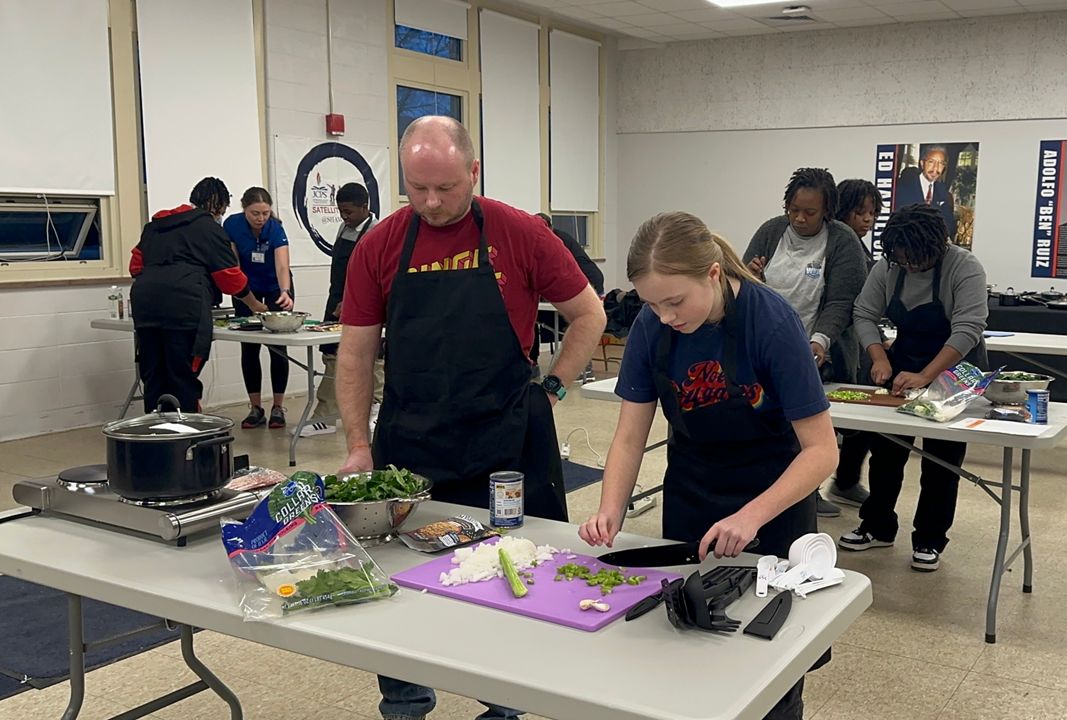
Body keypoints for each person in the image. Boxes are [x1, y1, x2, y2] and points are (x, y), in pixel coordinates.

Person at [337, 116, 605, 720]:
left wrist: (555, 387)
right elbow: (354, 354)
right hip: (411, 444)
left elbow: (588, 314)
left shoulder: (519, 233)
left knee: (507, 578)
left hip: (504, 445)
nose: (431, 203)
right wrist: (359, 445)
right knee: (399, 582)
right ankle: (404, 701)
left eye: (446, 189)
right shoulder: (380, 244)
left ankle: (504, 702)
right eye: (417, 188)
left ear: (474, 173)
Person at [580, 211, 837, 719]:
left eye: (675, 301)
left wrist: (750, 516)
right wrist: (611, 508)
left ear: (714, 274)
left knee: (770, 662)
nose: (665, 316)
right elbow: (631, 437)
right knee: (689, 649)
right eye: (652, 304)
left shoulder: (772, 322)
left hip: (773, 504)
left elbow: (822, 451)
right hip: (693, 496)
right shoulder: (653, 329)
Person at [838, 204, 988, 572]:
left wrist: (926, 376)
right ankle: (878, 526)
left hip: (954, 369)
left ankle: (930, 539)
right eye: (902, 260)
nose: (909, 267)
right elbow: (864, 313)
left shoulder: (964, 267)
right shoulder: (888, 267)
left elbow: (968, 328)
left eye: (915, 260)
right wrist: (879, 358)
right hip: (903, 361)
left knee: (941, 461)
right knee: (886, 453)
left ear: (935, 247)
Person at [744, 167, 865, 519]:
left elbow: (841, 303)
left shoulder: (843, 242)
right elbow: (740, 283)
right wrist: (750, 276)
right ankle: (772, 493)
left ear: (827, 211)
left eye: (810, 212)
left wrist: (819, 343)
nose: (799, 218)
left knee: (807, 429)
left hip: (817, 348)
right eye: (794, 209)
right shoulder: (771, 231)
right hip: (764, 346)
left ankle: (805, 492)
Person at [129, 178, 267, 411]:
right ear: (216, 206)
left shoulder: (155, 226)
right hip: (184, 308)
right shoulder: (208, 227)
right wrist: (255, 305)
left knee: (153, 375)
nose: (222, 215)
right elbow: (229, 276)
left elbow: (135, 266)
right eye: (222, 210)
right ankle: (188, 439)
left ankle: (155, 438)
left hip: (145, 306)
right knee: (183, 375)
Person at [301, 182, 383, 438]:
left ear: (365, 207)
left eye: (348, 211)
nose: (344, 217)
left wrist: (352, 299)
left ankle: (377, 411)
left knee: (373, 360)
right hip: (335, 300)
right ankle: (325, 416)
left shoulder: (377, 232)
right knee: (333, 357)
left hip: (365, 305)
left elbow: (376, 275)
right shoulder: (343, 228)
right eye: (340, 211)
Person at [825, 178, 886, 508]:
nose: (868, 219)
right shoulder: (834, 245)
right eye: (860, 212)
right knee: (824, 423)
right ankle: (807, 493)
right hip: (831, 344)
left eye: (873, 213)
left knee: (858, 419)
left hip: (855, 346)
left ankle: (846, 481)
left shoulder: (859, 248)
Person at [223, 186, 295, 429]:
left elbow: (283, 266)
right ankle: (255, 408)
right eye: (255, 213)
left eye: (265, 213)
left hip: (275, 287)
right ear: (244, 209)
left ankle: (278, 407)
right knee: (250, 348)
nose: (261, 218)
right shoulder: (232, 225)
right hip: (246, 289)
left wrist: (284, 292)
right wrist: (248, 299)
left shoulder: (275, 228)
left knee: (277, 348)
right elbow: (233, 263)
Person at [529, 213, 605, 381]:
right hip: (586, 279)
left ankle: (583, 368)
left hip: (589, 282)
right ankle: (532, 363)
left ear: (549, 228)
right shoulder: (552, 238)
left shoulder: (554, 240)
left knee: (578, 320)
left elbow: (555, 273)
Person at [896, 146, 958, 238]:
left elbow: (949, 224)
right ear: (922, 163)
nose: (935, 168)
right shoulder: (904, 188)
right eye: (931, 162)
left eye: (941, 163)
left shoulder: (942, 191)